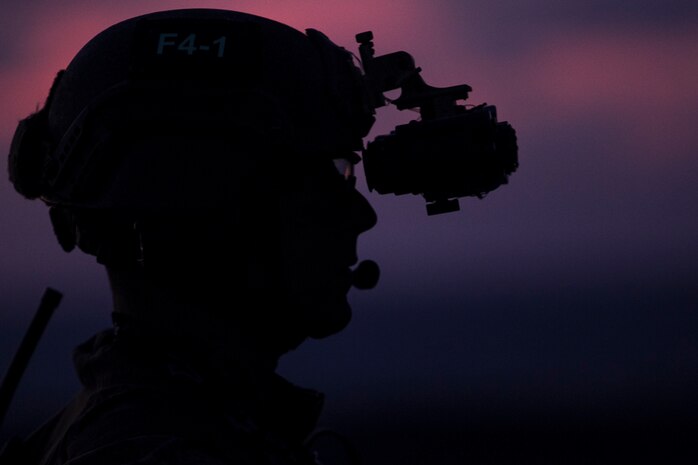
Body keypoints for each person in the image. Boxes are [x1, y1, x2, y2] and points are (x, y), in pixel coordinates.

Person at [4, 8, 379, 465]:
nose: (361, 216)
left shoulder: (157, 427)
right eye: (329, 178)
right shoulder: (161, 450)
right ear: (199, 210)